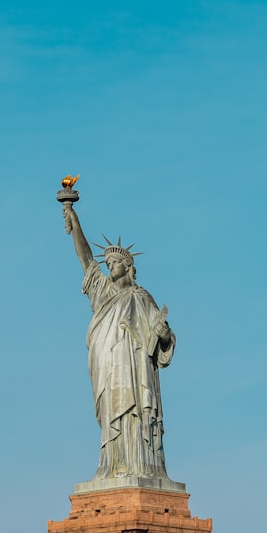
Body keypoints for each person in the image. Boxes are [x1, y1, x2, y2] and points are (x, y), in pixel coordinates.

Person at [63, 201, 175, 480]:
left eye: (115, 263)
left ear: (128, 266)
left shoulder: (141, 297)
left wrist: (163, 336)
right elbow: (86, 260)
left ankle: (142, 467)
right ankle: (113, 466)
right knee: (113, 413)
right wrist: (74, 222)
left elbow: (163, 338)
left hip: (137, 371)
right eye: (108, 263)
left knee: (136, 414)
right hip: (110, 366)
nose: (110, 266)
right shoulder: (102, 291)